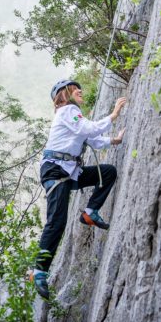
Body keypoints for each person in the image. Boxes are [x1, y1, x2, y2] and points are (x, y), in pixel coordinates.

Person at [30, 79, 127, 300]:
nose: (79, 90)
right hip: (56, 171)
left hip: (67, 171)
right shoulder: (67, 111)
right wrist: (113, 115)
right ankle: (39, 271)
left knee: (108, 171)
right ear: (64, 96)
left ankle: (90, 212)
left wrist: (114, 141)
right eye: (73, 89)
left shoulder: (73, 116)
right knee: (57, 220)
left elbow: (92, 137)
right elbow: (89, 129)